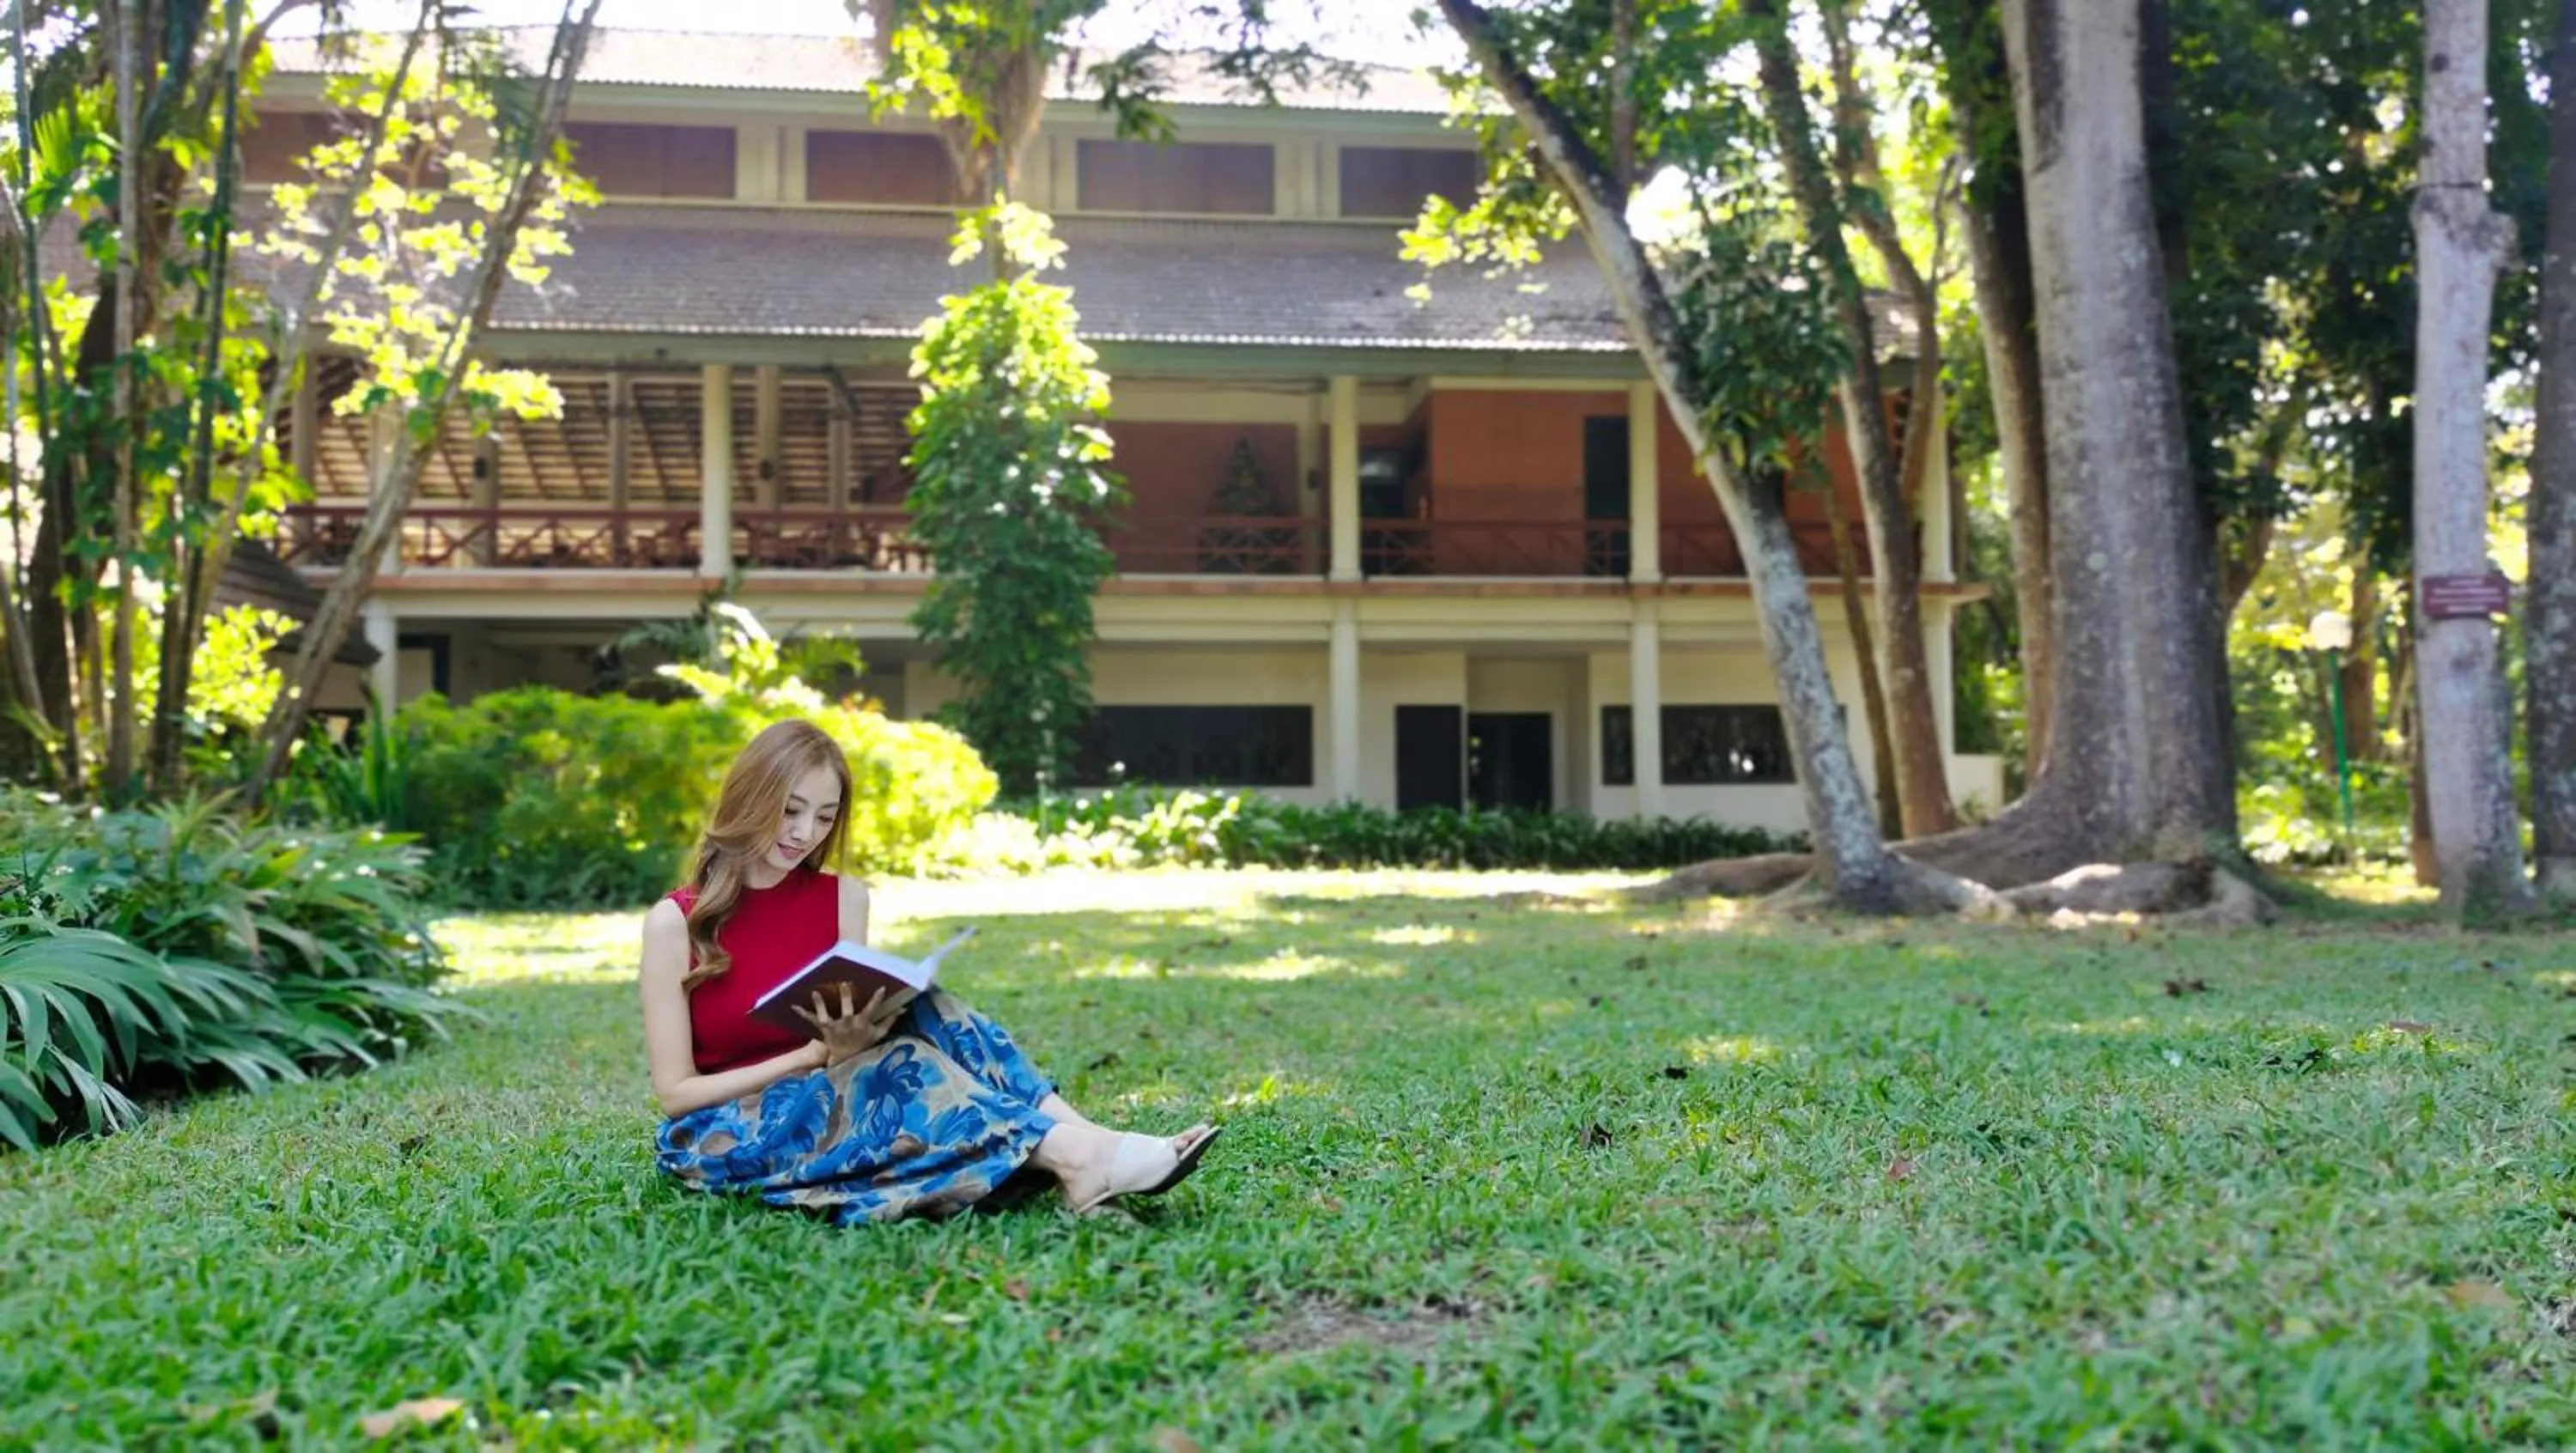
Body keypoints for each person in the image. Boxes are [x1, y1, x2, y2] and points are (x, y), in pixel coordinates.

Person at [639, 720, 1220, 1225]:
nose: (804, 834)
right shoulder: (675, 922)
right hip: (725, 1131)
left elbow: (848, 1046)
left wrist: (844, 1045)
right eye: (790, 810)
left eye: (824, 817)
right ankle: (1085, 1158)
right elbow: (675, 1094)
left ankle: (1092, 1145)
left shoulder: (844, 899)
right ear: (749, 799)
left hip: (830, 1092)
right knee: (906, 1067)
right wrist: (811, 1057)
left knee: (929, 1005)